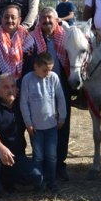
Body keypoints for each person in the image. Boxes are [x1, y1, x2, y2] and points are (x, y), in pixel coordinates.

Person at [0, 74, 44, 201]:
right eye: (6, 87)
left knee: (37, 178)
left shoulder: (22, 105)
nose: (10, 90)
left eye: (13, 86)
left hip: (17, 156)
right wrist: (1, 148)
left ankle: (7, 179)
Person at [31, 7, 72, 181]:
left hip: (61, 87)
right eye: (44, 19)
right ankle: (42, 167)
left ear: (57, 21)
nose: (47, 22)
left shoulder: (66, 37)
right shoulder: (32, 40)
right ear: (39, 21)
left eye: (50, 19)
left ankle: (60, 165)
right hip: (39, 90)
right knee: (41, 128)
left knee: (63, 127)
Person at [20, 53, 66, 193]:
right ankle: (38, 182)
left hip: (51, 124)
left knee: (51, 155)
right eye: (44, 70)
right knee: (38, 155)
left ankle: (51, 181)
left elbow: (61, 98)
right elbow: (23, 102)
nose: (47, 73)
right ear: (36, 66)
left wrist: (62, 117)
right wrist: (28, 123)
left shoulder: (53, 78)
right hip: (36, 127)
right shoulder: (27, 79)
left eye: (50, 69)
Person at [0, 4, 36, 100]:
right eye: (6, 17)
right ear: (1, 19)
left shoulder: (29, 41)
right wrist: (1, 84)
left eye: (13, 17)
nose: (10, 20)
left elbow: (30, 67)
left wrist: (17, 86)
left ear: (19, 20)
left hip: (23, 90)